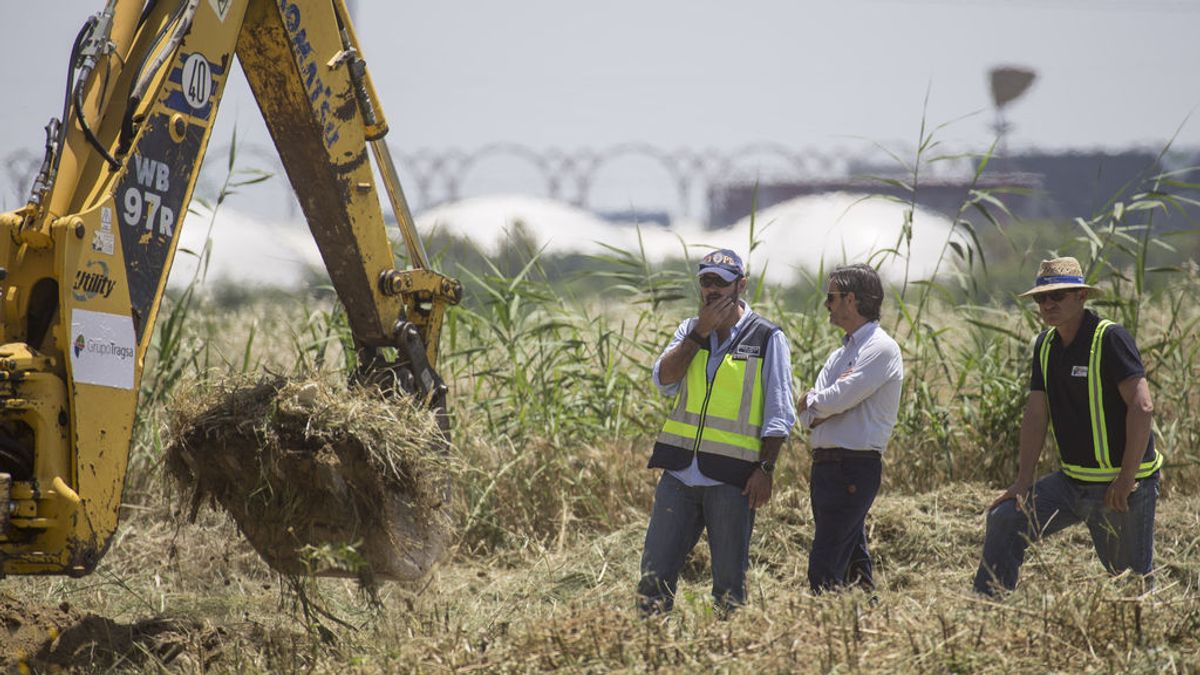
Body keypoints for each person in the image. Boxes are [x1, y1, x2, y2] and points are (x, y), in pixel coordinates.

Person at [974, 257, 1162, 596]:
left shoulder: (1110, 339)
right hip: (1072, 482)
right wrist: (1022, 481)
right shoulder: (1045, 345)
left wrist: (1126, 479)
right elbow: (1035, 414)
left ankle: (1145, 642)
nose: (1048, 304)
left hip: (1120, 489)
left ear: (1081, 297)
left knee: (1131, 584)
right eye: (1041, 298)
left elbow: (1142, 406)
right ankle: (985, 613)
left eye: (1058, 296)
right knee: (1005, 517)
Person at [636, 248, 795, 615]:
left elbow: (780, 412)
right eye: (706, 281)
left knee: (728, 587)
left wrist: (766, 470)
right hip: (679, 474)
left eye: (720, 283)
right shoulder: (688, 331)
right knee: (653, 577)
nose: (712, 290)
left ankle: (728, 654)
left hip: (732, 480)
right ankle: (649, 653)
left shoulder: (767, 337)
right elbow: (664, 380)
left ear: (740, 285)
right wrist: (698, 334)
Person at [798, 263, 903, 593]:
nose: (826, 304)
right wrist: (822, 403)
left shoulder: (880, 348)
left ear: (851, 299)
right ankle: (865, 625)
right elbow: (808, 416)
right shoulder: (840, 354)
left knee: (826, 563)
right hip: (828, 467)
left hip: (853, 468)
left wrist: (819, 401)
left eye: (831, 296)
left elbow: (831, 400)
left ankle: (828, 629)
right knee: (854, 563)